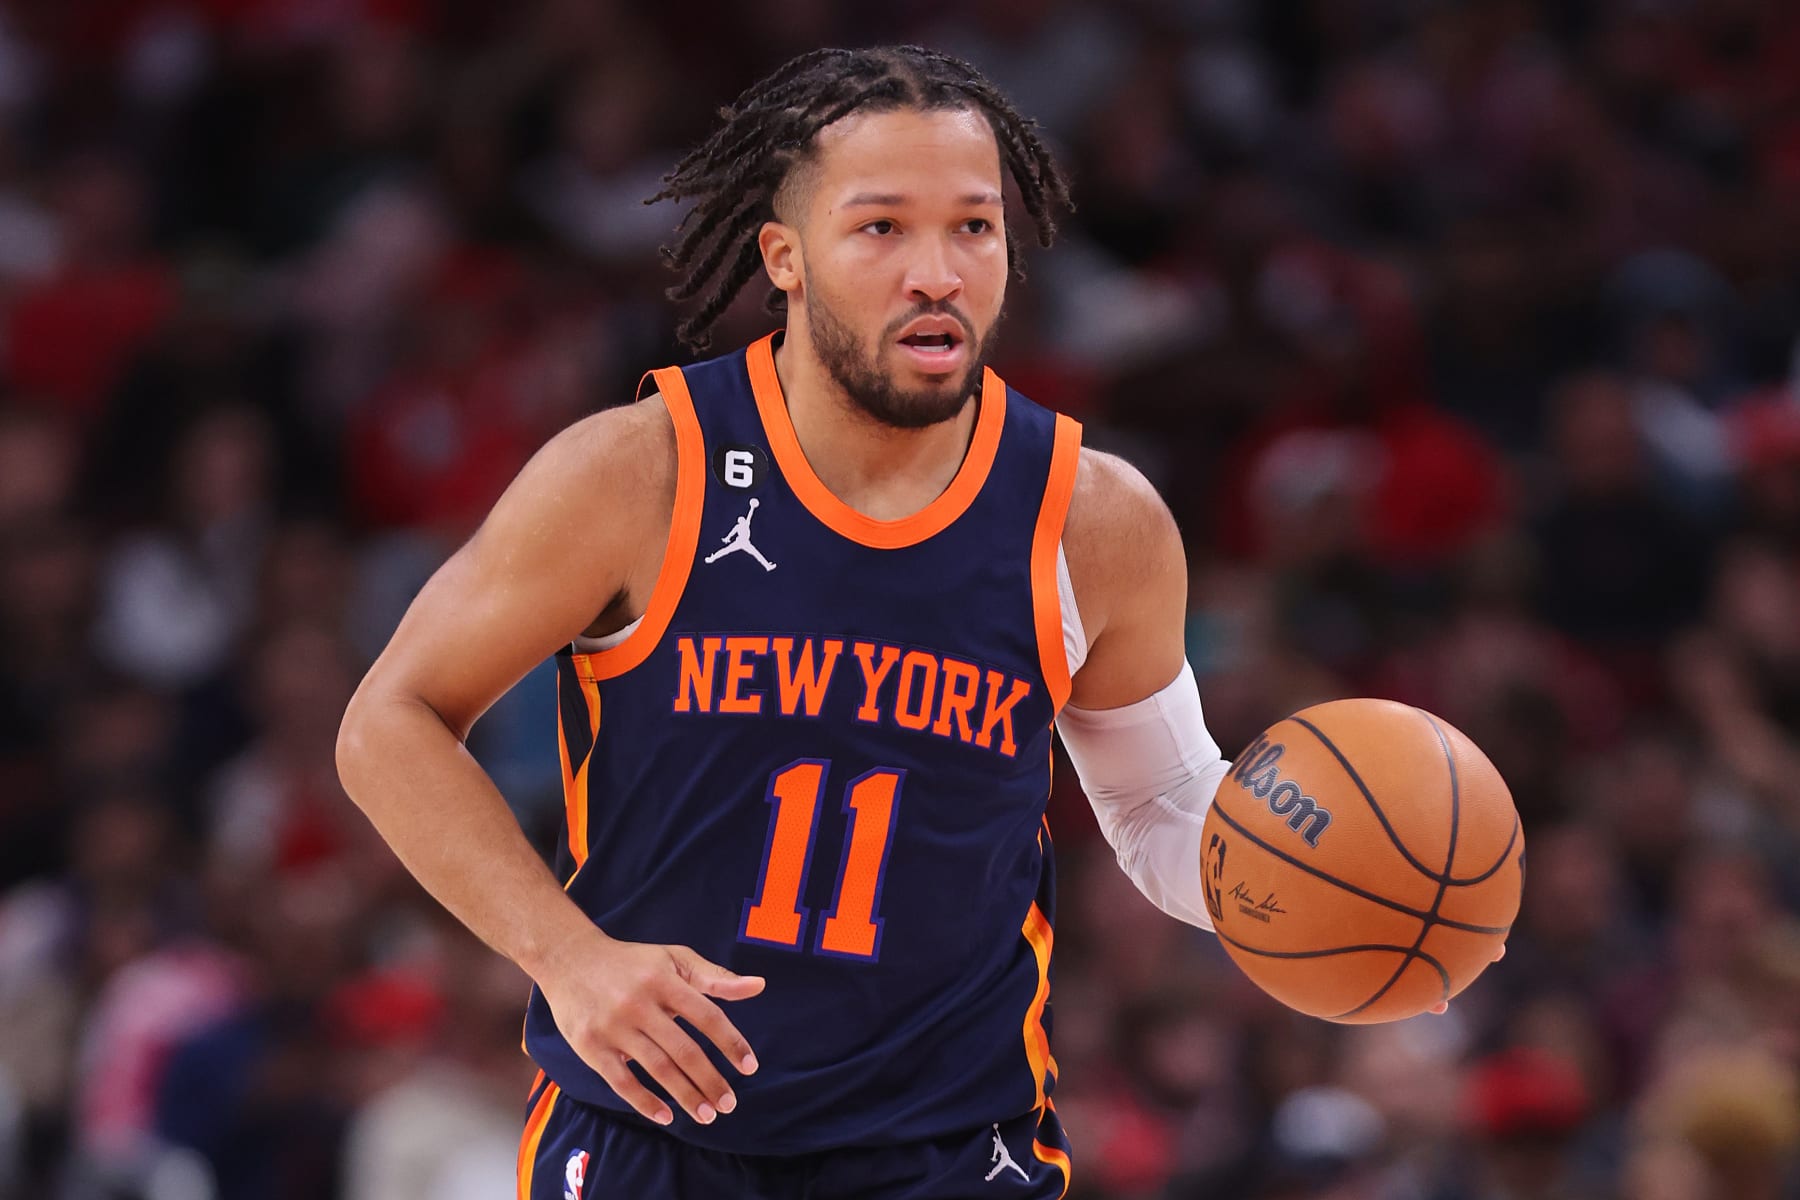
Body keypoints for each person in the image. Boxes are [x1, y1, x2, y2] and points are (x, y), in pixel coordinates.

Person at [337, 45, 1235, 1200]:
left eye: (974, 227)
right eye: (881, 229)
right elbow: (388, 723)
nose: (938, 272)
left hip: (951, 1147)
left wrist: (1311, 889)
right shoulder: (640, 472)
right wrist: (565, 956)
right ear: (786, 259)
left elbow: (1161, 809)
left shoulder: (1094, 519)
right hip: (652, 1129)